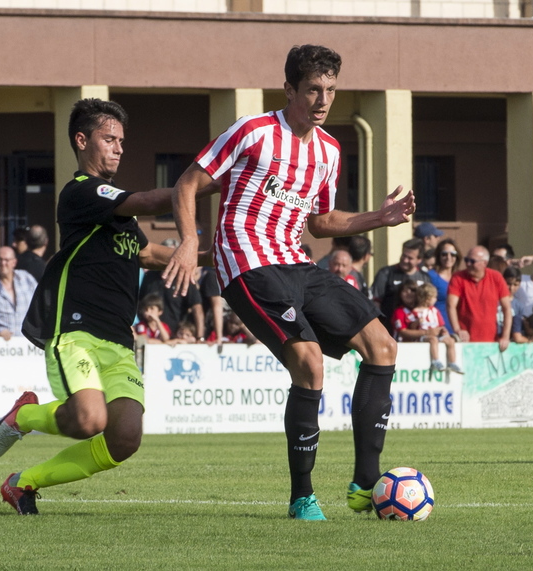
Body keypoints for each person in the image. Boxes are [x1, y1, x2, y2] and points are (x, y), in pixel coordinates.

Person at [163, 45, 415, 520]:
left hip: (296, 263)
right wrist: (184, 239)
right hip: (246, 262)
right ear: (290, 90)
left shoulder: (329, 150)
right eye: (314, 90)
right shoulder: (252, 131)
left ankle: (365, 484)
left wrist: (376, 218)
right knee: (310, 362)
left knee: (382, 346)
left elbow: (319, 223)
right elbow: (187, 183)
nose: (323, 100)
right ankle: (303, 495)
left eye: (331, 91)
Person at [0, 97, 215, 515]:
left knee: (125, 438)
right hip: (75, 333)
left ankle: (23, 484)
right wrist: (202, 182)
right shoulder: (82, 192)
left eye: (121, 141)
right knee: (90, 420)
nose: (119, 147)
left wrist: (222, 254)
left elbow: (151, 256)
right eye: (109, 138)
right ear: (81, 140)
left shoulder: (119, 217)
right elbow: (147, 201)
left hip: (118, 342)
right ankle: (26, 416)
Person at [446, 246, 511, 351]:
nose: (468, 264)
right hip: (465, 342)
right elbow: (450, 305)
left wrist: (505, 336)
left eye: (472, 261)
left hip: (491, 341)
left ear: (484, 263)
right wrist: (458, 330)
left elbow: (507, 308)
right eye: (466, 260)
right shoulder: (458, 277)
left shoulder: (496, 277)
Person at [140, 239, 205, 341]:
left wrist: (200, 337)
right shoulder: (150, 277)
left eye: (174, 255)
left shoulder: (185, 277)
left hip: (177, 338)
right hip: (151, 338)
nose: (170, 259)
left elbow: (197, 308)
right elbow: (140, 303)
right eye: (166, 255)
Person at [371, 238, 431, 333]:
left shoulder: (424, 278)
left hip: (417, 333)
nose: (405, 260)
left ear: (419, 260)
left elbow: (429, 304)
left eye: (410, 258)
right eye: (403, 255)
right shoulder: (386, 273)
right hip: (389, 329)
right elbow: (376, 303)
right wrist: (379, 326)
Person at [0, 246, 37, 337]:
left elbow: (38, 306)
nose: (3, 263)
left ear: (14, 262)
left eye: (6, 260)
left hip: (26, 344)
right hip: (0, 345)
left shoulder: (27, 279)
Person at [410, 283, 462, 374]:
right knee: (433, 340)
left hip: (437, 334)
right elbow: (412, 327)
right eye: (434, 297)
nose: (436, 299)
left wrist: (443, 330)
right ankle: (435, 360)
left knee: (450, 341)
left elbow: (440, 325)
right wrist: (417, 322)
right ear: (427, 298)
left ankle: (452, 362)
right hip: (423, 336)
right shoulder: (416, 311)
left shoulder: (434, 311)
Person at [427, 238, 461, 334]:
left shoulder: (460, 277)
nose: (448, 257)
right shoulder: (431, 276)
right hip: (438, 328)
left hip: (460, 329)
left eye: (452, 254)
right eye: (444, 254)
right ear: (438, 256)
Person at [499, 266, 527, 343]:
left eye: (515, 285)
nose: (511, 288)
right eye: (508, 284)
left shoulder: (519, 306)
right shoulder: (494, 301)